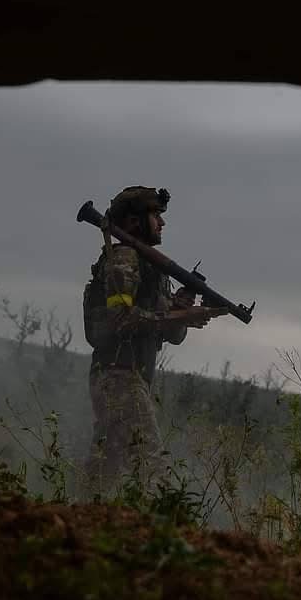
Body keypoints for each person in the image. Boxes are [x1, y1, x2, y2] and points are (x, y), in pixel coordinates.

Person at [81, 185, 225, 495]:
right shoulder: (124, 258)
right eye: (155, 215)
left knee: (105, 470)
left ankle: (76, 522)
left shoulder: (153, 270)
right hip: (118, 375)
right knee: (152, 467)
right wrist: (178, 316)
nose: (162, 223)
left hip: (133, 377)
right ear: (133, 222)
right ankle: (167, 532)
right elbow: (119, 320)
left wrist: (181, 309)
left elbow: (172, 335)